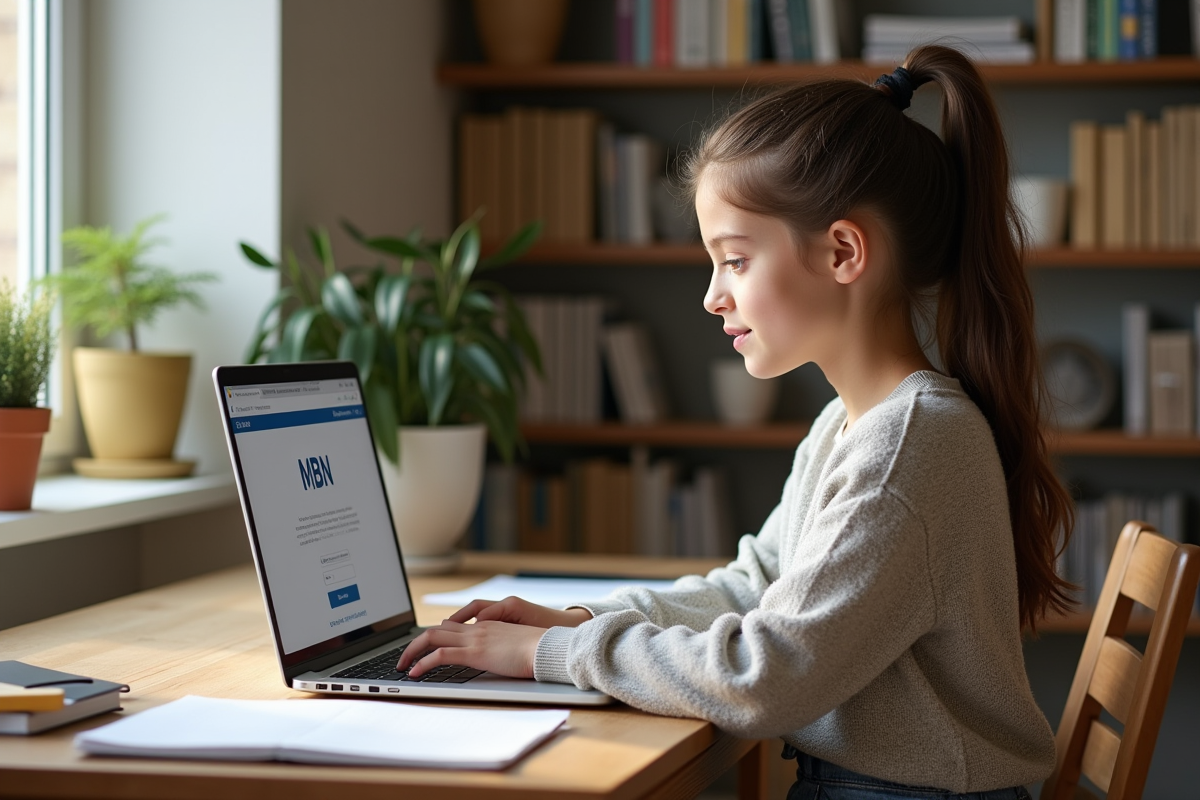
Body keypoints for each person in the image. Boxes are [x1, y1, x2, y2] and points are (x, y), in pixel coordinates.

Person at [398, 44, 1073, 800]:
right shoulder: (853, 426)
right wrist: (578, 618)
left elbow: (764, 679)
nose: (713, 296)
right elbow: (756, 586)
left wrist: (556, 653)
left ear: (844, 252)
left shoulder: (908, 444)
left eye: (735, 260)